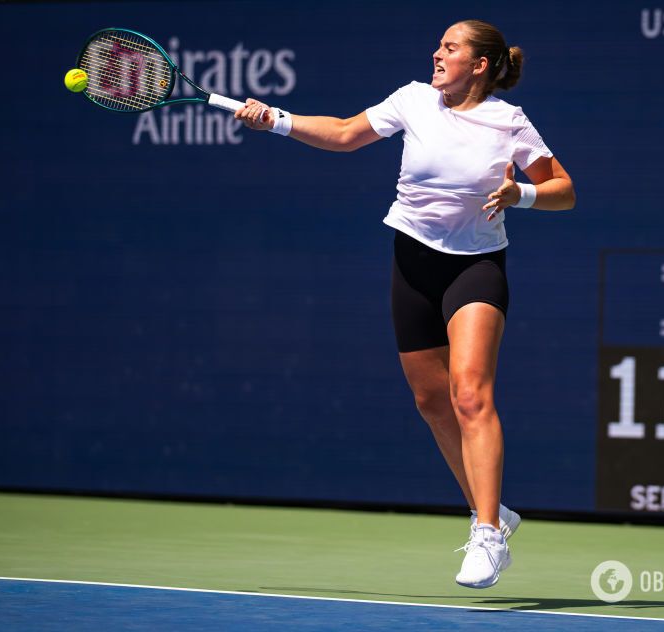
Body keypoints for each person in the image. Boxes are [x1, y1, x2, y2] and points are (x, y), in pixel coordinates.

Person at [234, 19, 575, 588]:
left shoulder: (508, 122)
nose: (436, 54)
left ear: (481, 64)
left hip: (476, 268)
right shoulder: (413, 100)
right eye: (439, 46)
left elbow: (564, 191)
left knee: (470, 393)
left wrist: (524, 193)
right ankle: (492, 509)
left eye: (450, 48)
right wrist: (274, 119)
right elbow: (343, 133)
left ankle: (487, 534)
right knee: (432, 400)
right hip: (413, 262)